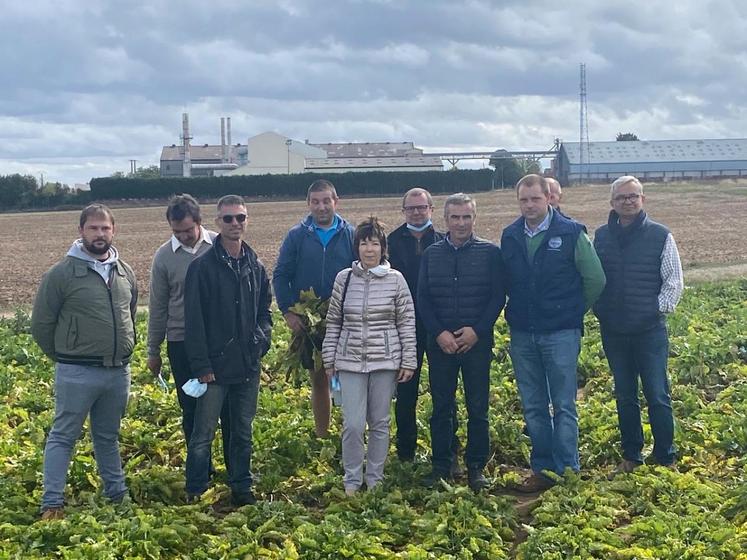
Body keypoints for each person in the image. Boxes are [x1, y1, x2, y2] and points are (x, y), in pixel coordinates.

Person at [31, 204, 137, 520]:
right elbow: (41, 325)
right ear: (81, 231)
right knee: (63, 435)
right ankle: (52, 503)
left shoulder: (124, 272)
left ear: (113, 231)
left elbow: (129, 314)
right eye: (93, 228)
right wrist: (67, 355)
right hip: (77, 371)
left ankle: (117, 497)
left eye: (105, 228)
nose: (100, 234)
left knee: (107, 437)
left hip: (117, 371)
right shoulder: (61, 274)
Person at [501, 174, 605, 493]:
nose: (529, 205)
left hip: (561, 333)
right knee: (533, 405)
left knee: (563, 403)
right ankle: (543, 468)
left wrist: (572, 312)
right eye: (524, 200)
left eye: (535, 198)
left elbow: (595, 279)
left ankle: (568, 468)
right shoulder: (511, 235)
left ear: (549, 198)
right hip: (523, 334)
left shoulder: (572, 233)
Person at [183, 195, 272, 506]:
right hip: (214, 367)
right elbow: (193, 322)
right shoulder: (202, 268)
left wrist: (261, 340)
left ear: (247, 220)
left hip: (248, 365)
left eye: (241, 218)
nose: (236, 224)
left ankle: (241, 487)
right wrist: (201, 366)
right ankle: (195, 489)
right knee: (203, 433)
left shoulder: (255, 264)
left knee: (242, 431)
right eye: (229, 219)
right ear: (217, 222)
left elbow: (265, 311)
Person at [593, 175, 683, 473]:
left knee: (657, 393)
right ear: (612, 203)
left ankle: (665, 456)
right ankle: (632, 455)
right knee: (624, 394)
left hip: (649, 331)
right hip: (614, 330)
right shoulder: (601, 236)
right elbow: (594, 278)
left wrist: (654, 310)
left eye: (633, 196)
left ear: (642, 199)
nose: (628, 202)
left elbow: (674, 281)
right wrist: (601, 309)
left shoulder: (660, 235)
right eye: (621, 197)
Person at [417, 193, 506, 491]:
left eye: (466, 216)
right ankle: (442, 464)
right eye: (455, 217)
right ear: (445, 220)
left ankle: (476, 467)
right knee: (442, 406)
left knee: (477, 407)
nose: (461, 222)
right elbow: (423, 299)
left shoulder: (490, 253)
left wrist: (477, 330)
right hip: (440, 344)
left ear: (475, 218)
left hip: (475, 344)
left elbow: (497, 297)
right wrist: (438, 332)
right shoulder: (431, 254)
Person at [322, 217, 416, 496]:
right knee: (352, 424)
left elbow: (406, 322)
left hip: (385, 362)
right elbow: (334, 321)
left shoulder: (396, 280)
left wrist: (408, 360)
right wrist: (330, 359)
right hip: (349, 361)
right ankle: (352, 480)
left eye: (374, 243)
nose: (369, 249)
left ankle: (375, 477)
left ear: (383, 248)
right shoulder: (344, 279)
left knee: (379, 423)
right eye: (364, 243)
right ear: (357, 247)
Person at [147, 194, 230, 475]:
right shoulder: (163, 257)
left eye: (187, 230)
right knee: (191, 408)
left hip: (220, 341)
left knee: (226, 408)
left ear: (199, 223)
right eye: (176, 231)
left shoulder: (219, 246)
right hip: (181, 342)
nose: (183, 236)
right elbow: (158, 307)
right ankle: (200, 468)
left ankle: (231, 467)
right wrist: (153, 350)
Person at [273, 179, 355, 437]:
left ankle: (353, 434)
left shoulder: (351, 234)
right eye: (316, 202)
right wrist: (288, 311)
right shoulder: (297, 236)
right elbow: (280, 275)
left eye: (326, 201)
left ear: (336, 201)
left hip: (346, 319)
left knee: (353, 379)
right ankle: (323, 435)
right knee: (319, 379)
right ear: (308, 204)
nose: (321, 207)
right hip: (310, 323)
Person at [387, 188, 460, 471]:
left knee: (445, 393)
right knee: (406, 392)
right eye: (411, 208)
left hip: (440, 328)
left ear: (431, 209)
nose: (416, 212)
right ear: (403, 210)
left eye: (421, 207)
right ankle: (405, 452)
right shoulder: (391, 242)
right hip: (404, 329)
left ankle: (449, 451)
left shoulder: (444, 241)